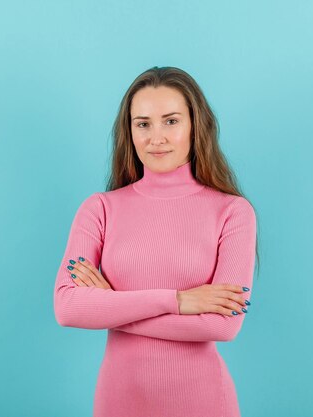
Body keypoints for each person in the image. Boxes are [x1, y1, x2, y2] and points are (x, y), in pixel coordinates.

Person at [53, 66, 259, 417]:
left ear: (196, 126)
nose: (156, 137)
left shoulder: (233, 212)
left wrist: (110, 306)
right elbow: (67, 308)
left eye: (171, 121)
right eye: (143, 123)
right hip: (119, 401)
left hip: (203, 402)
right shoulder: (100, 209)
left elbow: (223, 325)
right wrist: (178, 301)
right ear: (129, 131)